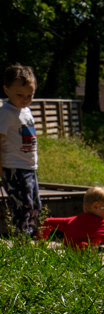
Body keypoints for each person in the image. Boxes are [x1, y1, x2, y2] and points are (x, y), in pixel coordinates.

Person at [40, 186, 104, 265]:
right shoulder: (100, 224)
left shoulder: (72, 220)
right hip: (85, 256)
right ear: (96, 206)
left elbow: (47, 222)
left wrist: (41, 241)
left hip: (69, 253)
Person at [0, 65, 40, 237]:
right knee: (22, 204)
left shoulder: (26, 111)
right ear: (6, 90)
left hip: (29, 167)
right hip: (14, 167)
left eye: (30, 95)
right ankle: (21, 239)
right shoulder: (6, 113)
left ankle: (29, 234)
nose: (25, 99)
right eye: (20, 95)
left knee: (35, 204)